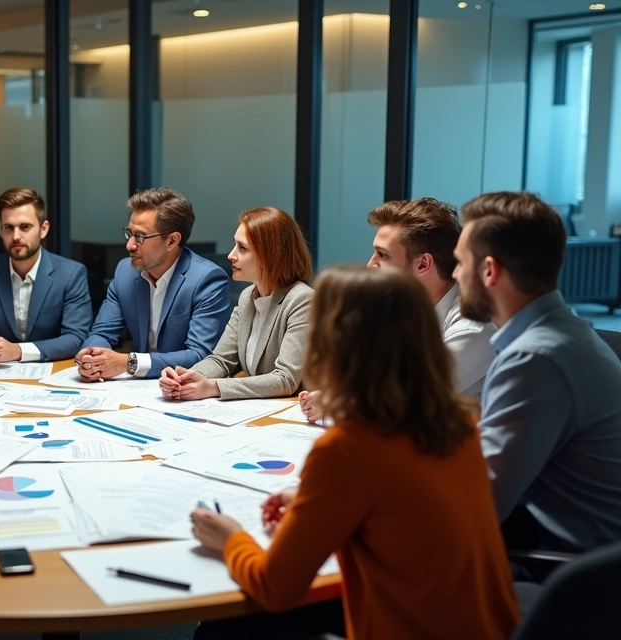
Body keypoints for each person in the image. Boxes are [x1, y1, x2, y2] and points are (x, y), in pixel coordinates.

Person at [190, 266, 519, 640]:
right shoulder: (459, 425)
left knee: (222, 631)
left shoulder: (347, 449)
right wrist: (316, 501)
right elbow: (402, 502)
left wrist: (230, 537)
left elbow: (275, 588)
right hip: (488, 629)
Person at [454, 191, 621, 554]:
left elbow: (478, 504)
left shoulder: (534, 358)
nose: (454, 275)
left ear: (488, 270)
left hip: (564, 573)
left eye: (459, 262)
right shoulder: (563, 335)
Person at [300, 197, 496, 422]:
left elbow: (408, 398)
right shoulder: (401, 309)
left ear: (423, 264)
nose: (370, 265)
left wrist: (338, 401)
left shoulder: (472, 324)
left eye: (382, 255)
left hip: (449, 450)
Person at [76, 188, 230, 380]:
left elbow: (200, 355)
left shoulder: (207, 279)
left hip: (183, 391)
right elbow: (102, 333)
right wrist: (91, 358)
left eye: (140, 237)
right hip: (136, 389)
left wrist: (129, 363)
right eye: (129, 233)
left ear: (172, 240)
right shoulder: (125, 271)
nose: (129, 245)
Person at [159, 207, 311, 400]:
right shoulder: (247, 297)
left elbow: (285, 379)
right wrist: (185, 378)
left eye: (242, 248)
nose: (231, 255)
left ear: (270, 255)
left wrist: (214, 387)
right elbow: (221, 360)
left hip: (292, 414)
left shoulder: (302, 300)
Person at [0, 187, 92, 363]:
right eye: (8, 228)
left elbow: (76, 338)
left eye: (25, 227)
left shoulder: (71, 274)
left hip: (51, 374)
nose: (15, 236)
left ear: (43, 229)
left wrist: (18, 351)